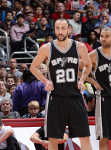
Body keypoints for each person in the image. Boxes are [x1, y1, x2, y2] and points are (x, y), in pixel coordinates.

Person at [30, 19, 92, 150]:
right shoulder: (47, 48)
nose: (60, 31)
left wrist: (82, 80)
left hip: (75, 97)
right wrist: (45, 81)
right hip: (56, 98)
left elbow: (88, 65)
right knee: (53, 138)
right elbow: (33, 67)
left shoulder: (79, 46)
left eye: (63, 28)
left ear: (69, 29)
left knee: (84, 136)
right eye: (57, 28)